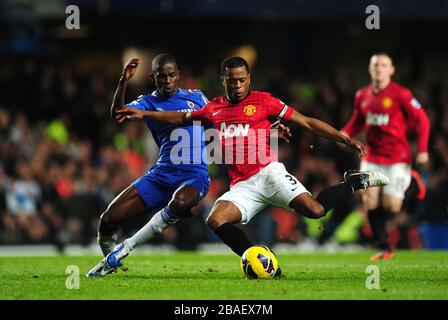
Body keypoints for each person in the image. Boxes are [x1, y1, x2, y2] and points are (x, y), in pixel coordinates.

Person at [113, 56, 389, 268]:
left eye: (241, 80)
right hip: (243, 185)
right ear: (224, 81)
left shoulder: (264, 102)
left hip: (270, 173)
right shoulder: (214, 108)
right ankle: (254, 257)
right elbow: (182, 117)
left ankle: (353, 182)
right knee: (216, 219)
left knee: (316, 210)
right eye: (231, 80)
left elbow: (306, 121)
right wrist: (143, 114)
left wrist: (343, 138)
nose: (237, 85)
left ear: (249, 78)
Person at [86, 54, 291, 277]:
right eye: (162, 76)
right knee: (108, 219)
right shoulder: (146, 102)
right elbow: (118, 113)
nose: (167, 80)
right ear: (153, 77)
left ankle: (126, 248)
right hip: (161, 174)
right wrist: (123, 81)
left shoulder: (196, 98)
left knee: (182, 201)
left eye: (171, 75)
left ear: (178, 75)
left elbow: (227, 121)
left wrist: (267, 132)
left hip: (194, 174)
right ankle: (110, 262)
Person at [340, 52, 430, 260]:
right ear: (370, 69)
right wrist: (344, 133)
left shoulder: (401, 94)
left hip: (397, 158)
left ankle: (413, 182)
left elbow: (422, 118)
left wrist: (423, 149)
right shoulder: (362, 95)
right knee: (369, 201)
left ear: (391, 70)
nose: (379, 68)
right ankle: (384, 247)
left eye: (383, 65)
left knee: (392, 206)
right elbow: (357, 121)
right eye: (376, 65)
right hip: (371, 157)